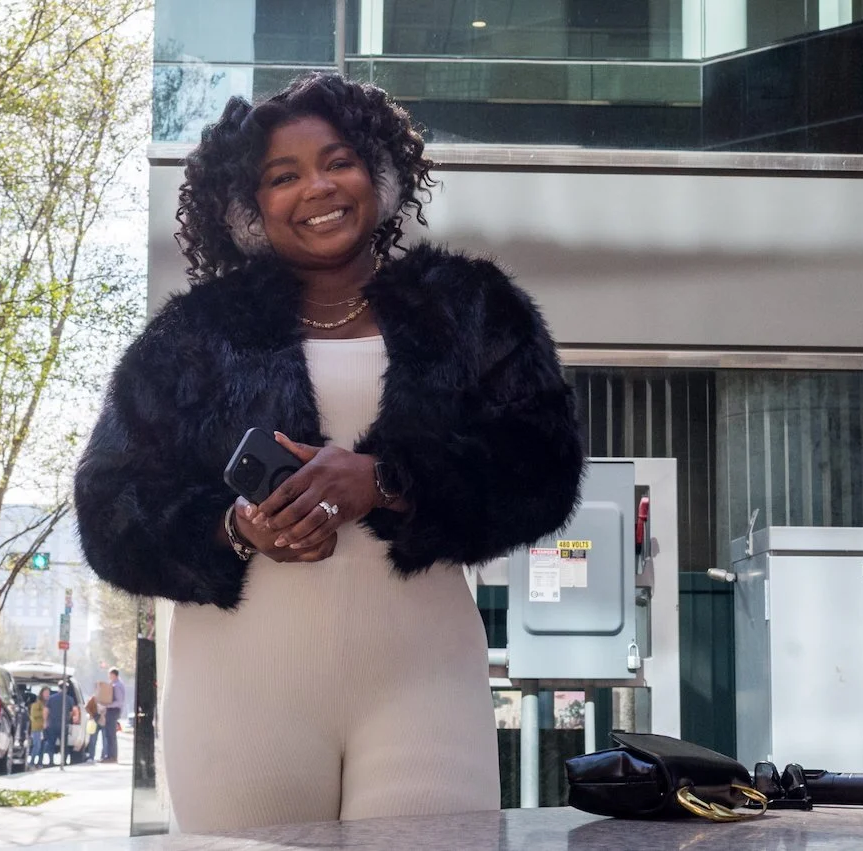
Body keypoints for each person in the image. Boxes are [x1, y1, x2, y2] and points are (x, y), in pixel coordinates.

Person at [73, 72, 583, 832]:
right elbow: (108, 507)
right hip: (239, 692)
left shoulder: (470, 307)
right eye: (283, 176)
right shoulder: (194, 336)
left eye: (338, 161)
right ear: (247, 206)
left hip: (426, 681)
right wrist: (235, 528)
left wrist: (387, 479)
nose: (318, 187)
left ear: (379, 171)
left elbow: (544, 465)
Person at [101, 667, 125, 763]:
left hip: (113, 711)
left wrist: (108, 705)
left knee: (111, 734)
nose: (109, 676)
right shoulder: (113, 684)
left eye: (110, 674)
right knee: (108, 734)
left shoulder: (117, 686)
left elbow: (119, 701)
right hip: (110, 711)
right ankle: (109, 755)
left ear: (114, 675)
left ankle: (112, 756)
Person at [29, 687, 49, 768]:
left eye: (48, 693)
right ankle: (31, 763)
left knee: (44, 746)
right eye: (45, 693)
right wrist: (44, 712)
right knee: (37, 746)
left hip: (45, 728)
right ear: (41, 693)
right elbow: (33, 715)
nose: (47, 694)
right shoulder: (37, 703)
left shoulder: (48, 703)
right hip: (37, 728)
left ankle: (40, 763)